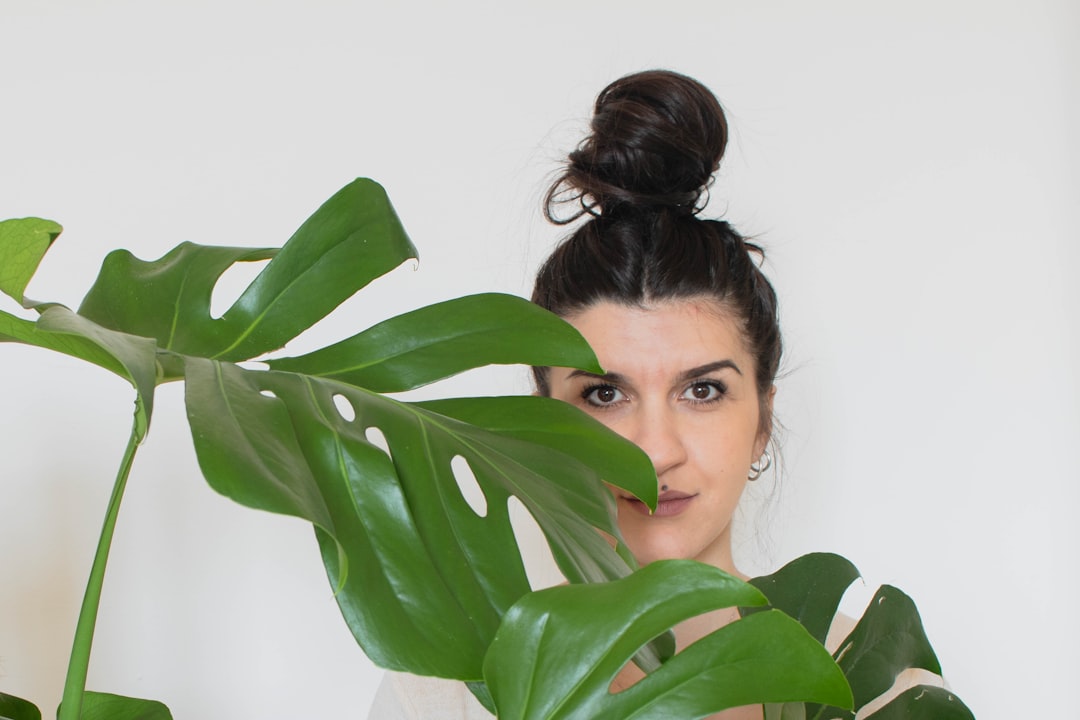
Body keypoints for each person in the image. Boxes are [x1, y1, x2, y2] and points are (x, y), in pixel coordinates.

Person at [370, 69, 786, 720]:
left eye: (702, 390)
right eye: (602, 396)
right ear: (545, 428)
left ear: (763, 419)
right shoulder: (449, 687)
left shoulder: (863, 676)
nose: (654, 452)